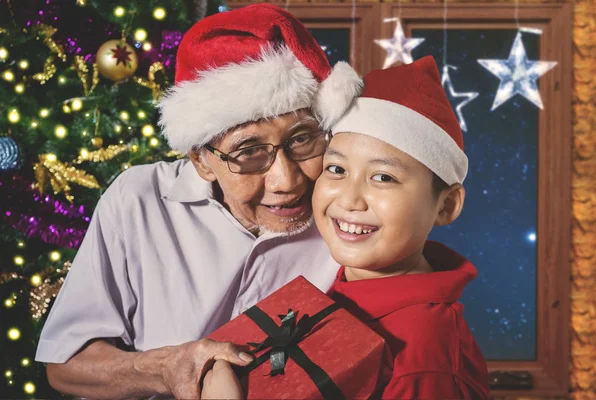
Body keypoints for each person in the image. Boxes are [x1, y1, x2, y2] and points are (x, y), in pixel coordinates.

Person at [34, 4, 361, 399]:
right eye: (248, 151)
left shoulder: (347, 211)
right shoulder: (138, 199)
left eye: (302, 138)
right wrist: (163, 368)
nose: (287, 181)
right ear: (201, 160)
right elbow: (65, 364)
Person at [200, 56, 490, 399]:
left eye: (383, 177)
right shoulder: (332, 289)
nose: (350, 199)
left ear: (446, 205)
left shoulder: (427, 361)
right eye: (336, 169)